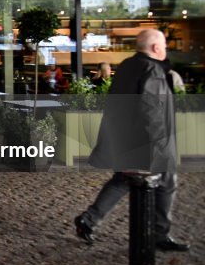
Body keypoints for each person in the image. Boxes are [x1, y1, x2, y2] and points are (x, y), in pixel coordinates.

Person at [74, 29, 189, 252]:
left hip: (126, 138)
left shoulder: (128, 65)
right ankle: (159, 234)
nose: (166, 49)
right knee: (166, 183)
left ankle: (88, 219)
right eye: (164, 45)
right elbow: (153, 110)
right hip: (148, 143)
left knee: (122, 180)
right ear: (156, 48)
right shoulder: (153, 69)